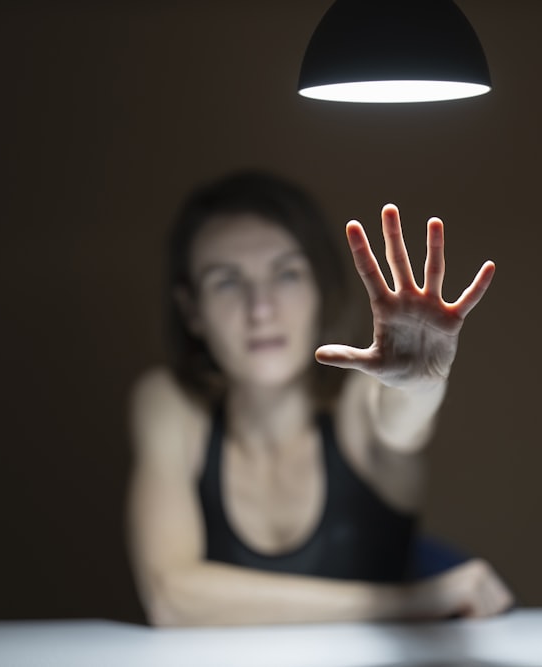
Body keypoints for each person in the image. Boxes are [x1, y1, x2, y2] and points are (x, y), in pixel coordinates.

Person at [126, 170, 513, 626]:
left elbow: (401, 422)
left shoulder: (358, 402)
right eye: (226, 281)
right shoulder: (169, 404)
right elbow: (171, 598)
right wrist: (412, 601)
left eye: (286, 274)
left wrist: (420, 385)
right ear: (192, 311)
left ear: (319, 290)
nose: (261, 309)